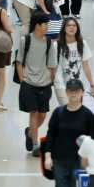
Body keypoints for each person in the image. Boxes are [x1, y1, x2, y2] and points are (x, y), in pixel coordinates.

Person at [17, 13, 59, 158]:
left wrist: (51, 79)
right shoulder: (25, 40)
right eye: (45, 24)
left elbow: (52, 64)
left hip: (44, 84)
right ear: (37, 26)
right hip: (29, 83)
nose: (47, 26)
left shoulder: (49, 43)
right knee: (33, 113)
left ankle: (29, 133)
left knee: (42, 114)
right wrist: (23, 79)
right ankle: (35, 145)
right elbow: (19, 61)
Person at [45, 79, 94, 187]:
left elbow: (93, 140)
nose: (74, 94)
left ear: (82, 92)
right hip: (59, 161)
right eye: (71, 90)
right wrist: (48, 156)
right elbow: (51, 135)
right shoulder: (58, 112)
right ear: (66, 92)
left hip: (80, 162)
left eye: (77, 91)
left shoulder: (88, 115)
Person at [54, 17, 94, 105]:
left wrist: (92, 85)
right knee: (67, 108)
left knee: (76, 111)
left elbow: (86, 66)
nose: (72, 27)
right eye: (69, 25)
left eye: (74, 25)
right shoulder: (56, 45)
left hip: (77, 84)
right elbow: (52, 66)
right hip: (61, 84)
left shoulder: (82, 43)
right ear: (64, 29)